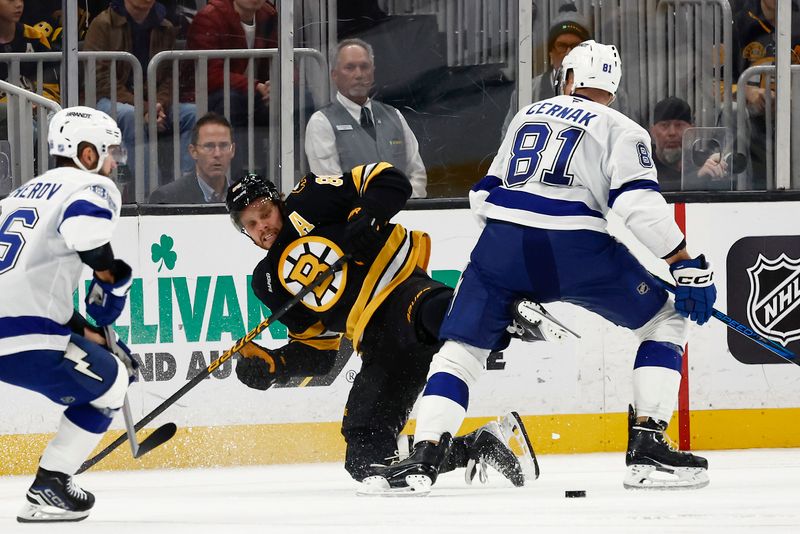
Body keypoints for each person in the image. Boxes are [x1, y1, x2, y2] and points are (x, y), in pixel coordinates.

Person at [368, 41, 717, 494]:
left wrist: (514, 271)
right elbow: (637, 207)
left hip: (500, 246)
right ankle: (647, 449)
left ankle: (424, 457)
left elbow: (483, 195)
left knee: (461, 351)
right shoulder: (622, 128)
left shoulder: (528, 114)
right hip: (576, 249)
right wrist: (682, 263)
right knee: (665, 321)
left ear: (567, 77)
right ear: (610, 89)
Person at [224, 163, 536, 491]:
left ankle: (502, 313)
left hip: (401, 289)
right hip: (379, 347)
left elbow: (389, 178)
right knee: (365, 460)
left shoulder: (311, 198)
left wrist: (368, 213)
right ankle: (476, 445)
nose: (263, 226)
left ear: (279, 202)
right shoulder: (269, 283)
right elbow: (320, 354)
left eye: (265, 213)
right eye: (251, 224)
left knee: (426, 314)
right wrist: (276, 366)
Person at [0, 106, 134, 522]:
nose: (115, 162)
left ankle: (52, 485)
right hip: (22, 337)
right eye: (110, 151)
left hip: (22, 326)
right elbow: (86, 235)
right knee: (113, 382)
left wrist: (87, 332)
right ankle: (51, 485)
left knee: (107, 366)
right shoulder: (91, 186)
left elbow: (27, 286)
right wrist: (112, 282)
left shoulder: (19, 195)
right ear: (87, 154)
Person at [84, 0, 197, 184]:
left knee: (192, 114)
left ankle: (186, 187)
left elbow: (170, 77)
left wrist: (158, 105)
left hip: (153, 104)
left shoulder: (165, 26)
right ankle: (151, 193)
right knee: (131, 116)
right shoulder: (103, 24)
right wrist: (146, 108)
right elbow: (100, 81)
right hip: (106, 100)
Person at [305, 39, 428, 198]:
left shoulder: (394, 115)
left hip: (405, 212)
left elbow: (417, 173)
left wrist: (402, 204)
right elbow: (331, 187)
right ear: (334, 75)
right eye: (350, 67)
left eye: (364, 67)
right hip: (353, 219)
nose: (359, 74)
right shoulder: (321, 123)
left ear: (373, 71)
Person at [500, 3, 633, 139]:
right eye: (561, 46)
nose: (569, 53)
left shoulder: (610, 94)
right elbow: (508, 141)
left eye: (576, 46)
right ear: (550, 52)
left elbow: (626, 141)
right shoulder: (527, 92)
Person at [186, 0, 277, 177]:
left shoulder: (269, 16)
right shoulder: (209, 17)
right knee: (232, 101)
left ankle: (278, 179)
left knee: (300, 100)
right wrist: (254, 85)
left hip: (254, 94)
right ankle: (234, 184)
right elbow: (209, 74)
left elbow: (285, 59)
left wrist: (277, 84)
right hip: (212, 95)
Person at [731, 0, 800, 189]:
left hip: (796, 118)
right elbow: (715, 82)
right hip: (752, 119)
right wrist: (747, 91)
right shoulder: (739, 23)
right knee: (731, 113)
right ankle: (747, 190)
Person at [0, 0, 60, 138]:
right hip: (7, 112)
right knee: (26, 127)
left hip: (36, 106)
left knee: (57, 127)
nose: (18, 4)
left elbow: (51, 76)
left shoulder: (35, 37)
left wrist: (42, 101)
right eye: (10, 0)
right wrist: (19, 105)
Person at [149, 112, 236, 203]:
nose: (217, 154)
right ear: (193, 152)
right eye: (209, 146)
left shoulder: (246, 197)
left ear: (232, 150)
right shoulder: (167, 198)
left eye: (224, 145)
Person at [650, 97, 730, 192]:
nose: (672, 132)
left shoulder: (703, 160)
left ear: (692, 131)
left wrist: (720, 165)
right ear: (652, 131)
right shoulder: (643, 165)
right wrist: (698, 177)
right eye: (664, 125)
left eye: (679, 125)